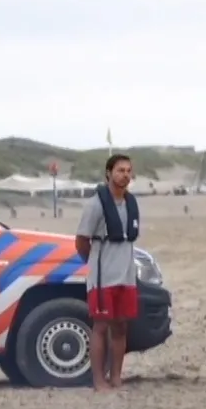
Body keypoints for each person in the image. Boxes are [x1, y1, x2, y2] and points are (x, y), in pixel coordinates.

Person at [75, 154, 144, 391]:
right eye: (120, 170)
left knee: (121, 326)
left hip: (126, 276)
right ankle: (98, 380)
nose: (125, 175)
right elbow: (81, 241)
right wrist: (94, 265)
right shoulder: (95, 205)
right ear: (108, 173)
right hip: (103, 277)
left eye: (128, 171)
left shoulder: (131, 203)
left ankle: (116, 377)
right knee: (101, 326)